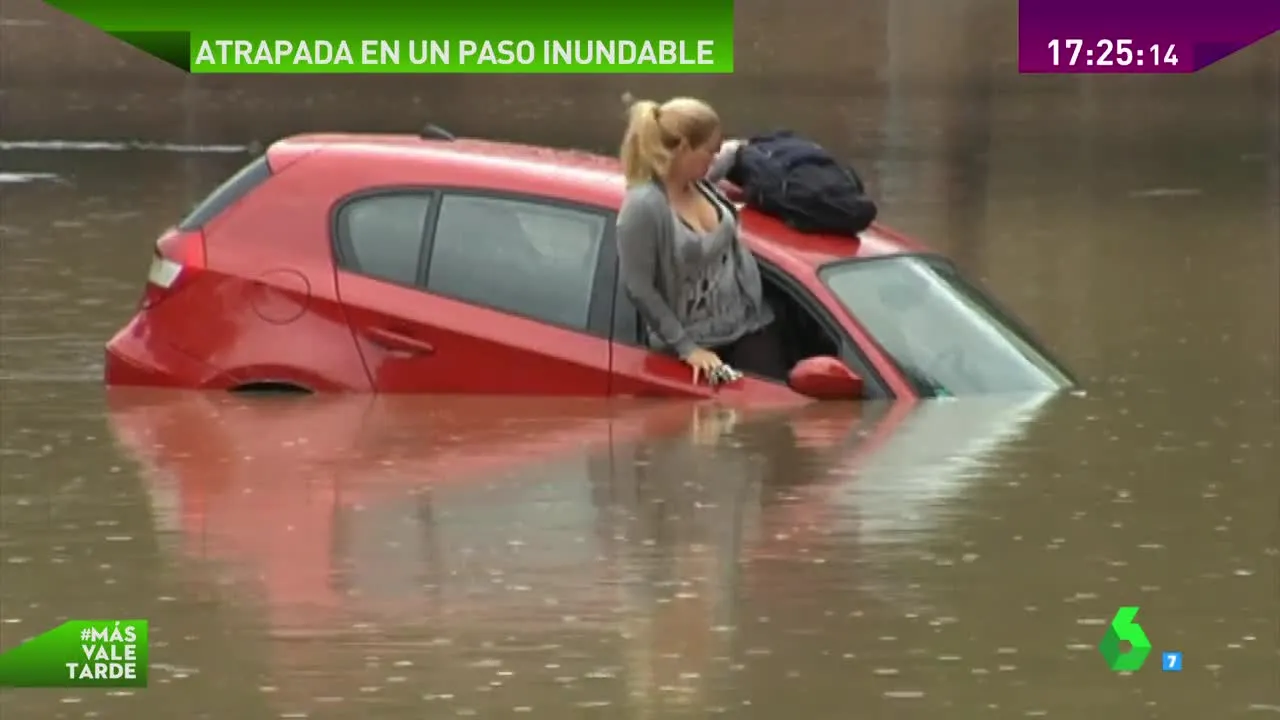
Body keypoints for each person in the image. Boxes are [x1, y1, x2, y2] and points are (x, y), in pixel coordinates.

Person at [615, 96, 789, 385]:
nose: (715, 158)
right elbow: (639, 287)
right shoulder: (644, 207)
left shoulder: (704, 186)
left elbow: (732, 155)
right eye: (711, 151)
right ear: (684, 148)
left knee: (780, 411)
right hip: (696, 346)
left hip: (749, 324)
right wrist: (687, 349)